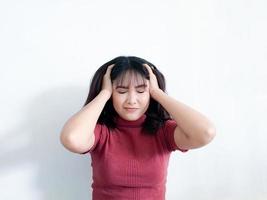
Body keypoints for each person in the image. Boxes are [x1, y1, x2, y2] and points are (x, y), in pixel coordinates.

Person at [60, 56, 216, 200]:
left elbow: (205, 132)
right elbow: (71, 139)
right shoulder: (101, 132)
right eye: (121, 91)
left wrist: (158, 92)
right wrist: (105, 92)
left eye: (141, 90)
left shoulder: (163, 131)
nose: (132, 100)